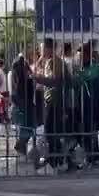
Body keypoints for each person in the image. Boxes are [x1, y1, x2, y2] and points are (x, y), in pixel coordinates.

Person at [33, 38, 76, 172]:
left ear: (49, 48)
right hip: (53, 99)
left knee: (52, 132)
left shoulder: (55, 62)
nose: (41, 51)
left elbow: (54, 80)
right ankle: (58, 160)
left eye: (42, 48)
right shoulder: (51, 61)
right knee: (54, 132)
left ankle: (56, 160)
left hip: (55, 101)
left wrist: (37, 78)